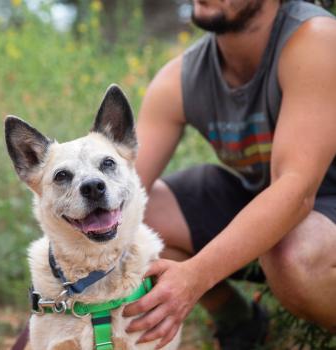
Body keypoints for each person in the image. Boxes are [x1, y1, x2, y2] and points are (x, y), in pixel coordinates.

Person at [122, 0, 336, 348]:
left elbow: (295, 192)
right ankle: (239, 321)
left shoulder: (317, 40)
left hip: (315, 218)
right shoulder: (179, 79)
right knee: (131, 214)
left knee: (292, 254)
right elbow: (119, 192)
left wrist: (194, 276)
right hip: (270, 205)